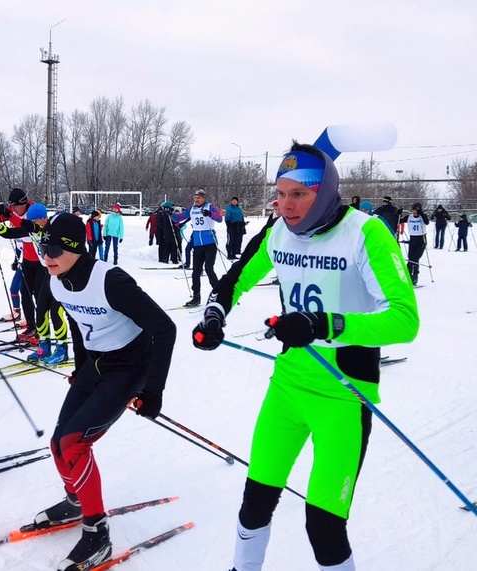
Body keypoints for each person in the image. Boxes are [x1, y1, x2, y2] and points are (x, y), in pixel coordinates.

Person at [192, 141, 419, 571]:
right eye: (280, 194)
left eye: (299, 193)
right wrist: (214, 317)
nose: (286, 205)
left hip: (344, 398)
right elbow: (235, 279)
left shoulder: (364, 232)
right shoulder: (278, 230)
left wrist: (324, 325)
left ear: (326, 191)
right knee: (254, 504)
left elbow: (405, 320)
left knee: (324, 526)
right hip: (288, 389)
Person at [31, 213, 176, 571]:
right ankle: (76, 499)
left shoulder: (110, 281)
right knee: (57, 443)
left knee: (74, 444)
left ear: (76, 249)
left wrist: (153, 391)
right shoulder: (57, 283)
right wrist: (80, 368)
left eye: (52, 249)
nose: (45, 255)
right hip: (95, 365)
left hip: (129, 367)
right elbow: (80, 326)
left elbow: (165, 329)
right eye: (41, 247)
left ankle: (98, 534)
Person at [0, 201, 70, 364]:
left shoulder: (51, 228)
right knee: (41, 311)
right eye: (31, 221)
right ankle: (44, 346)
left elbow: (37, 229)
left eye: (35, 221)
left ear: (44, 218)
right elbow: (9, 233)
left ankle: (62, 349)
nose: (32, 223)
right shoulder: (32, 228)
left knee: (56, 312)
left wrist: (17, 219)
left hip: (62, 276)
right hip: (47, 275)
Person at [0, 187, 42, 343]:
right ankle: (31, 326)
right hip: (28, 261)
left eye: (16, 206)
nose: (14, 209)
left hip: (42, 262)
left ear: (24, 203)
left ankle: (42, 330)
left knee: (39, 296)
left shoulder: (33, 210)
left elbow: (22, 227)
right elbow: (1, 217)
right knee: (25, 294)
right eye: (12, 207)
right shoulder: (13, 209)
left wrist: (7, 215)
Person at [182, 189, 223, 307]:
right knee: (196, 271)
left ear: (204, 198)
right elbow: (179, 218)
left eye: (199, 197)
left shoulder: (210, 206)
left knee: (209, 269)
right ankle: (196, 297)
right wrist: (169, 213)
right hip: (198, 244)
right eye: (195, 197)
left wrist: (210, 214)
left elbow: (219, 218)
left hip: (210, 243)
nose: (196, 199)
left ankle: (219, 294)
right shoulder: (192, 209)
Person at [401, 202, 429, 286]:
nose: (415, 212)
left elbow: (427, 222)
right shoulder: (409, 217)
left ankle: (415, 276)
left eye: (416, 210)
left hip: (421, 240)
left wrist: (421, 213)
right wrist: (398, 214)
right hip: (413, 239)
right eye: (413, 210)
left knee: (415, 259)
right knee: (410, 259)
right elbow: (400, 220)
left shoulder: (422, 217)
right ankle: (408, 275)